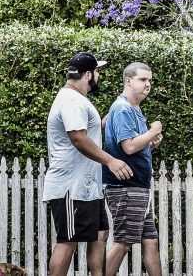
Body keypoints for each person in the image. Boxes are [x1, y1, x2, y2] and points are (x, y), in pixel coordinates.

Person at [43, 52, 132, 276]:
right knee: (68, 241)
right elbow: (78, 138)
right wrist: (110, 160)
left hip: (87, 187)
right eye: (98, 72)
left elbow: (88, 131)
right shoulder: (72, 100)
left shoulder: (77, 100)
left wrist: (109, 119)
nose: (99, 77)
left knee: (100, 235)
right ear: (89, 74)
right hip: (71, 187)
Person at [102, 62, 163, 276]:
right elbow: (128, 147)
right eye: (143, 80)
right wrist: (154, 129)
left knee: (150, 240)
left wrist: (150, 142)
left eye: (150, 81)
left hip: (138, 187)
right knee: (124, 242)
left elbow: (135, 143)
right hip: (125, 187)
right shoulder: (122, 109)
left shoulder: (134, 109)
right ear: (129, 81)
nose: (148, 84)